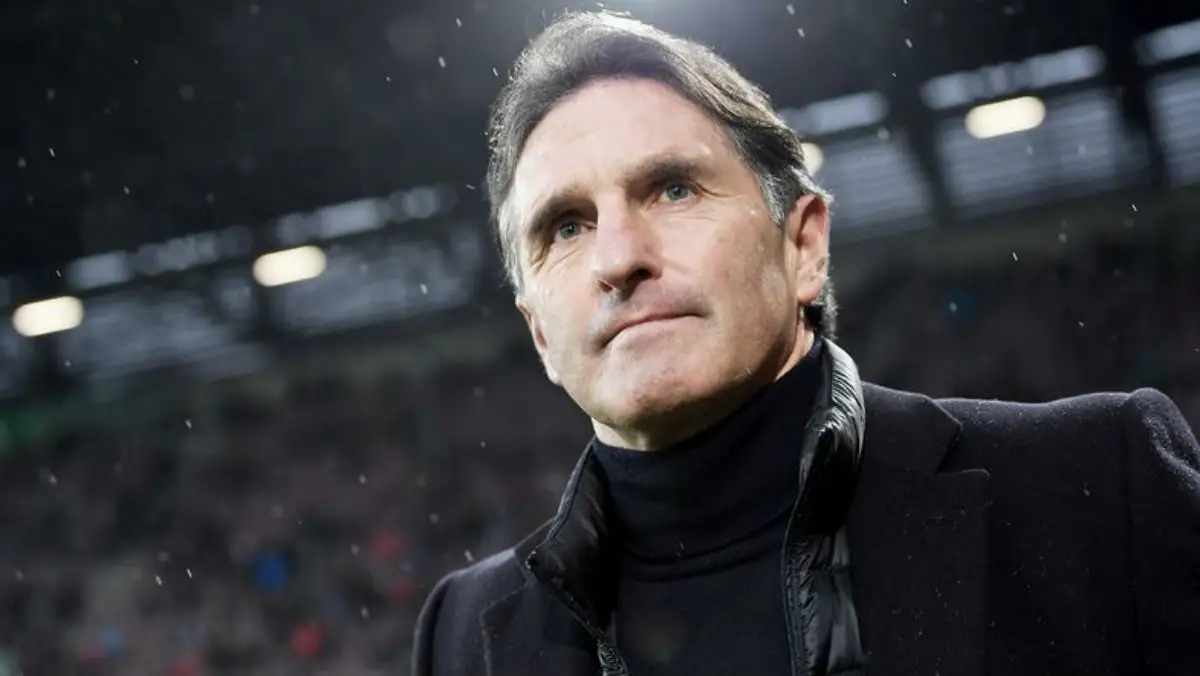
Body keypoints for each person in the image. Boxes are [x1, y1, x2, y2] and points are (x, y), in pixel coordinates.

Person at [412, 11, 1200, 676]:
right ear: (539, 333)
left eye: (674, 188)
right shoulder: (464, 633)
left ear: (804, 247)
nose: (618, 258)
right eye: (566, 227)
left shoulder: (1095, 487)